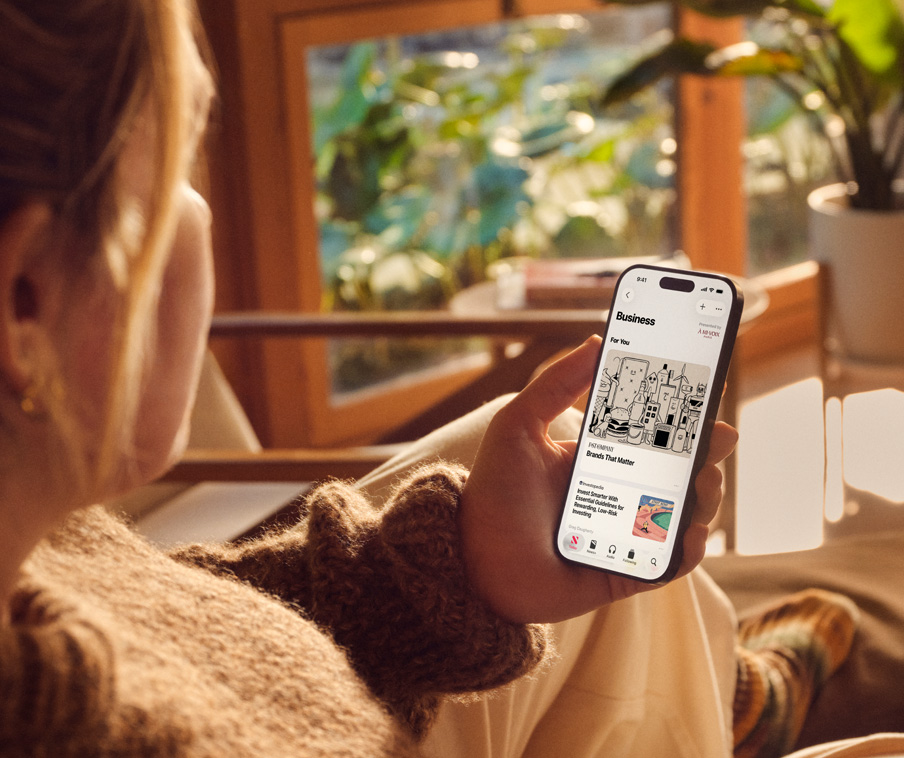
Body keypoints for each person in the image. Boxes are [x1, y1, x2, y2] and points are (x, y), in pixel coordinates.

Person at [0, 0, 865, 756]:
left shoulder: (43, 555)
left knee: (545, 471)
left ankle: (721, 694)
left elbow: (179, 620)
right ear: (26, 301)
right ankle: (726, 701)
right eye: (181, 171)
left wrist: (457, 572)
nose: (199, 211)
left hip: (331, 654)